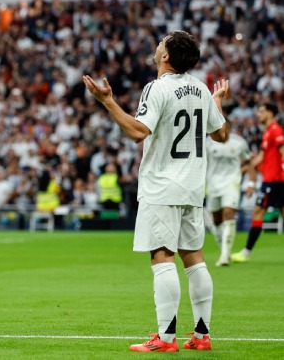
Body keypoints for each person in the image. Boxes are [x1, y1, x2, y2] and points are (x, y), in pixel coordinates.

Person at [83, 30, 228, 352]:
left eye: (162, 42)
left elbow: (138, 131)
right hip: (192, 186)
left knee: (162, 256)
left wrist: (107, 101)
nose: (157, 44)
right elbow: (221, 134)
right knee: (194, 258)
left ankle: (165, 339)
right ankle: (202, 336)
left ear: (166, 56)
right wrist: (216, 102)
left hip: (162, 185)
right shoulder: (202, 88)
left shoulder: (158, 88)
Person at [231, 103, 284, 263]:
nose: (258, 114)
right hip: (272, 179)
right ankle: (246, 252)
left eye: (261, 111)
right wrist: (245, 167)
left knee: (257, 212)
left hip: (274, 180)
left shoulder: (275, 130)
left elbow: (283, 152)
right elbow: (261, 157)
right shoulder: (268, 132)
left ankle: (246, 252)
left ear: (270, 113)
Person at [205, 121, 251, 267]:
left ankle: (225, 254)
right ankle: (224, 250)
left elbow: (248, 161)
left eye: (226, 127)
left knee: (228, 214)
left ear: (230, 128)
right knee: (216, 220)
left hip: (231, 184)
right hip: (212, 184)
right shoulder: (208, 143)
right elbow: (201, 163)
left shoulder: (239, 143)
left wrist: (251, 183)